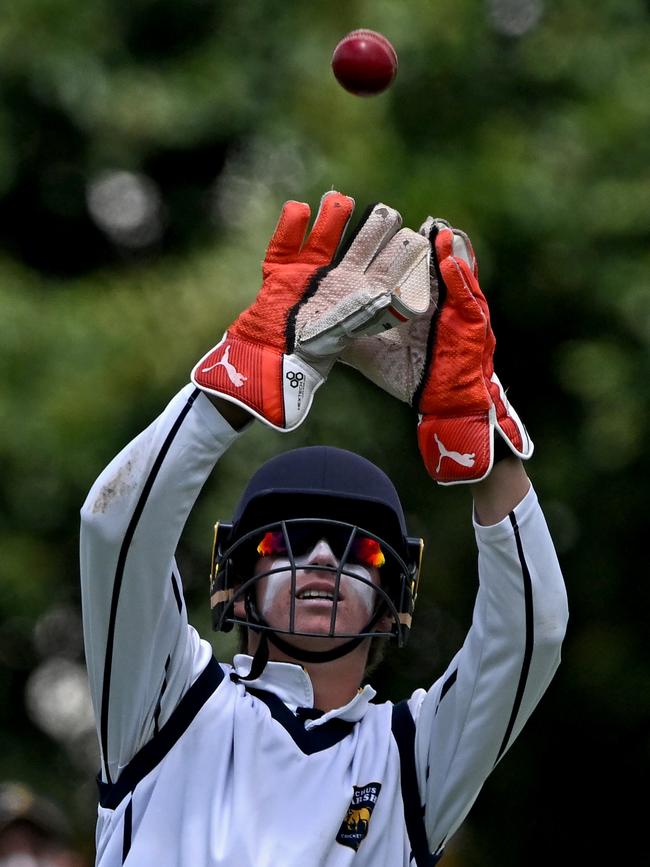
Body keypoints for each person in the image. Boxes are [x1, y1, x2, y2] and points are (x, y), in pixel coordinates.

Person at [80, 192, 568, 866]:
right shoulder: (165, 705)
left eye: (358, 548)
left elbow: (531, 635)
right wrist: (237, 380)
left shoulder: (411, 757)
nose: (319, 559)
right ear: (236, 577)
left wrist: (478, 430)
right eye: (284, 541)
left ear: (395, 592)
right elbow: (113, 530)